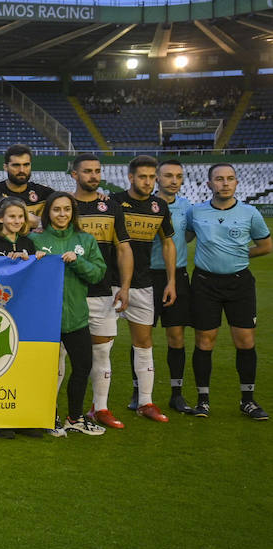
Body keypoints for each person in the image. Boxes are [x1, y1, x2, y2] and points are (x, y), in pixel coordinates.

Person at [188, 163, 271, 419]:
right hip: (204, 283)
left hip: (240, 283)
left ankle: (248, 400)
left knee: (245, 341)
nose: (225, 183)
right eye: (219, 179)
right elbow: (185, 238)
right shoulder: (196, 212)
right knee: (204, 341)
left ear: (236, 183)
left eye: (230, 179)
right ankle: (203, 400)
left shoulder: (250, 213)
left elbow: (266, 246)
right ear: (209, 184)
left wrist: (240, 253)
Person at [32, 192, 108, 436]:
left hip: (76, 317)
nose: (62, 214)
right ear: (48, 213)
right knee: (45, 371)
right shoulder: (36, 240)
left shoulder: (85, 240)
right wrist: (34, 261)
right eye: (56, 210)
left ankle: (74, 418)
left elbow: (98, 274)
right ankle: (48, 416)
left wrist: (78, 261)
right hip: (46, 319)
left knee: (82, 366)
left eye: (66, 209)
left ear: (73, 213)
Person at [112, 155, 177, 423]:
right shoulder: (114, 202)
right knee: (100, 347)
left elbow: (168, 243)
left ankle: (145, 402)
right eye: (143, 177)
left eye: (152, 177)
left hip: (143, 284)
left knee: (144, 344)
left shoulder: (159, 206)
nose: (148, 182)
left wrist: (172, 280)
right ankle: (96, 405)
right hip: (109, 284)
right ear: (130, 177)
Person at [136, 159, 198, 415]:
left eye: (179, 176)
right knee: (142, 338)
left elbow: (189, 234)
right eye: (168, 175)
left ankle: (176, 394)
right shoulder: (145, 206)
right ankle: (138, 393)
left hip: (177, 276)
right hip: (146, 276)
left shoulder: (187, 207)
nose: (174, 180)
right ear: (157, 179)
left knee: (176, 337)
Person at [70, 153, 125, 430]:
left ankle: (100, 408)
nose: (94, 176)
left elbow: (123, 248)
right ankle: (50, 410)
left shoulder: (111, 206)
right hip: (68, 293)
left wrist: (124, 287)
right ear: (74, 175)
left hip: (102, 292)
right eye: (87, 171)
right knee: (57, 356)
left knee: (102, 353)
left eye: (97, 171)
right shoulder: (64, 206)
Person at [0, 144, 49, 225]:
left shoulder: (43, 192)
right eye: (16, 165)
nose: (22, 170)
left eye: (26, 165)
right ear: (5, 167)